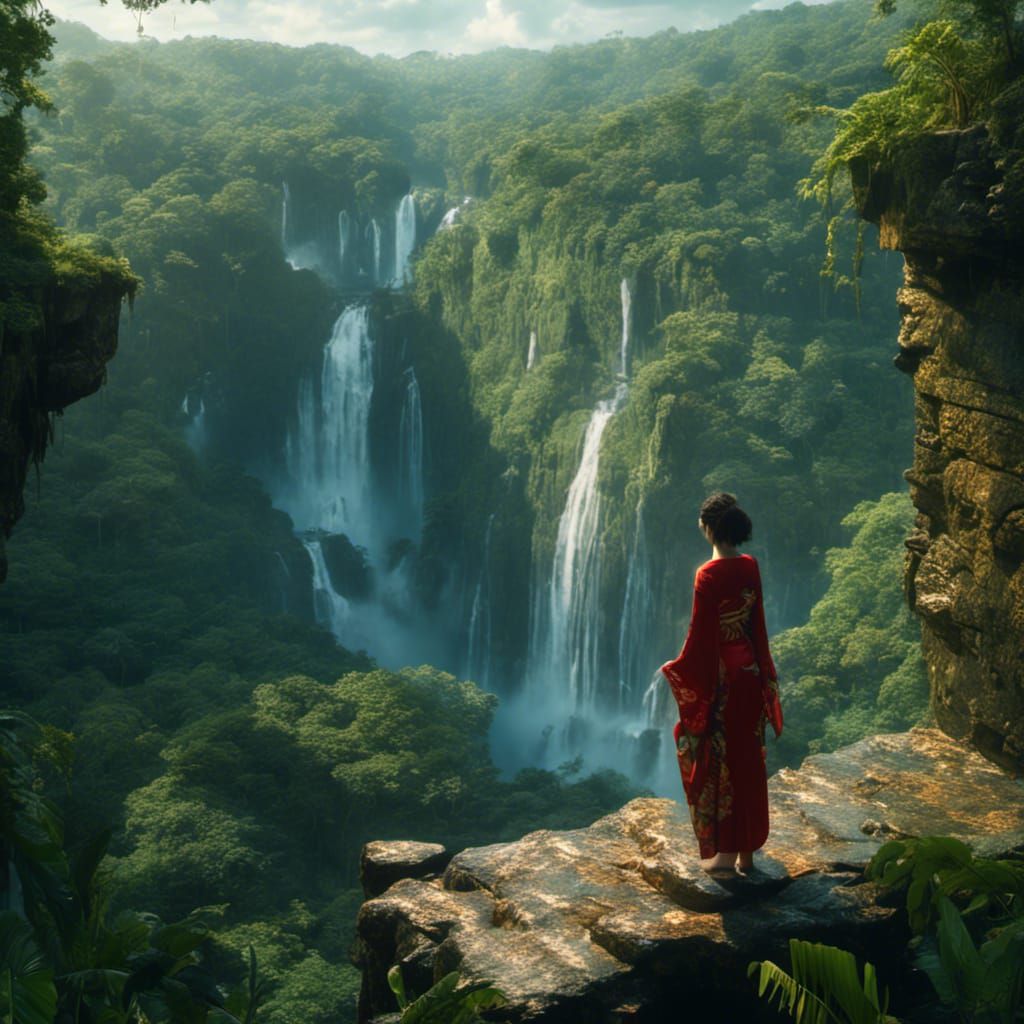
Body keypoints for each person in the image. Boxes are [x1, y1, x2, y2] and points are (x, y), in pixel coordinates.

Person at [660, 492, 783, 875]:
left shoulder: (707, 575)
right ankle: (747, 854)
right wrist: (767, 678)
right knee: (749, 760)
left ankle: (727, 854)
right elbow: (757, 626)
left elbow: (701, 637)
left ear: (709, 528)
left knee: (723, 762)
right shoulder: (750, 566)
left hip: (724, 681)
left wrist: (676, 669)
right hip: (749, 673)